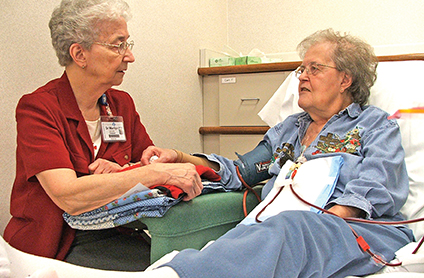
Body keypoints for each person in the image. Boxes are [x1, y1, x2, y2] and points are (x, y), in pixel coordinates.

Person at [141, 29, 415, 277]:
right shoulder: (288, 129)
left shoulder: (375, 125)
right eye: (302, 69)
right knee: (256, 233)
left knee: (289, 227)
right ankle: (177, 271)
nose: (302, 76)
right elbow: (241, 171)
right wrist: (179, 157)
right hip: (286, 229)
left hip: (357, 230)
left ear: (345, 79)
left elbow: (377, 185)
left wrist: (317, 221)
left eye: (315, 68)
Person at [3, 0, 203, 272]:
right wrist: (147, 174)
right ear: (79, 54)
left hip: (116, 231)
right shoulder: (38, 108)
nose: (130, 56)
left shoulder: (121, 104)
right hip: (57, 243)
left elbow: (147, 166)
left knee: (187, 262)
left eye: (128, 44)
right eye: (118, 46)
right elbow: (68, 196)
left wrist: (133, 170)